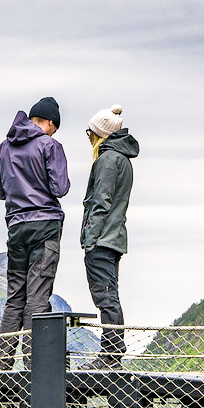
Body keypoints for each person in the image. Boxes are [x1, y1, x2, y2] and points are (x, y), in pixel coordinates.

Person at [0, 96, 70, 371]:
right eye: (54, 128)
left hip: (15, 226)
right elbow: (60, 188)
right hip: (45, 225)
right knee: (37, 296)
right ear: (49, 123)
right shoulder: (50, 145)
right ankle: (34, 366)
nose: (53, 132)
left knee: (15, 295)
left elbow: (1, 192)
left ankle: (1, 366)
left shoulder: (3, 148)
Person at [79, 105, 139, 368]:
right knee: (110, 295)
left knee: (105, 298)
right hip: (114, 238)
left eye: (90, 132)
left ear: (99, 133)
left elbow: (100, 203)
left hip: (102, 240)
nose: (89, 137)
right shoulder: (123, 159)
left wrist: (89, 240)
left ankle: (110, 356)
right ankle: (113, 353)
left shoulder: (106, 160)